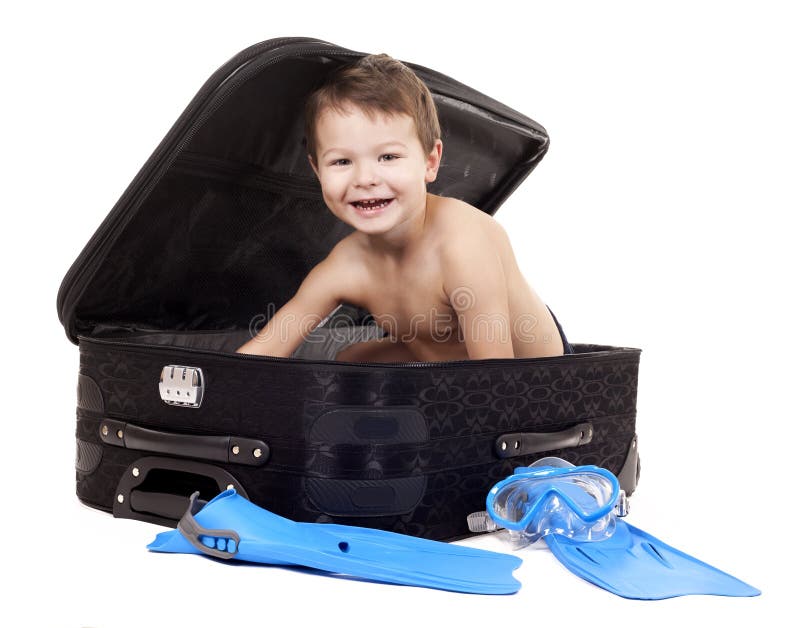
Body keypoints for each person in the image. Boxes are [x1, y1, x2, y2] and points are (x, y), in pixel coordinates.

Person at [237, 54, 572, 362]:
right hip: (442, 360)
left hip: (535, 376)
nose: (365, 178)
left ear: (430, 162)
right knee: (350, 362)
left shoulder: (461, 243)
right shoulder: (346, 266)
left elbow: (495, 375)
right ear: (317, 171)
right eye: (341, 161)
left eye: (388, 157)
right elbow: (266, 348)